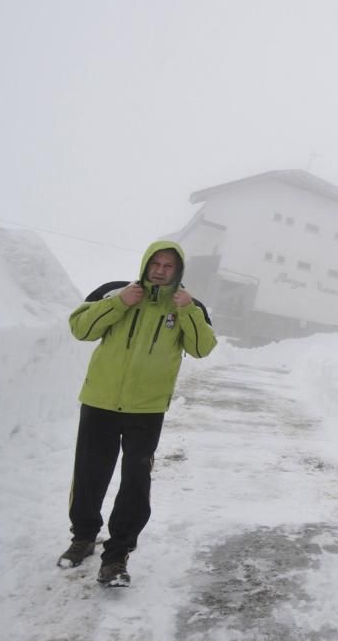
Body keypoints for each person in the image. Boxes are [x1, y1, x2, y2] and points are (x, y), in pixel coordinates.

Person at [58, 240, 217, 586]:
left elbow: (202, 348)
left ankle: (116, 557)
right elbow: (80, 329)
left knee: (135, 481)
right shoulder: (114, 292)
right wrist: (118, 304)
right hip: (100, 401)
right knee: (89, 474)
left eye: (168, 266)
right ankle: (82, 538)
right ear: (146, 264)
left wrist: (188, 311)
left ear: (178, 271)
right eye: (156, 264)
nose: (160, 270)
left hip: (146, 408)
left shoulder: (190, 306)